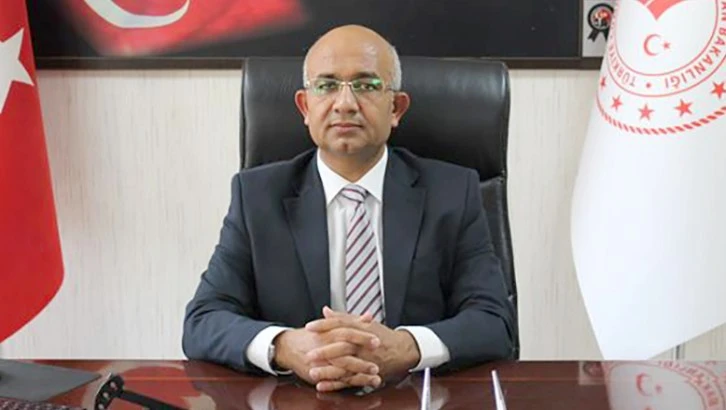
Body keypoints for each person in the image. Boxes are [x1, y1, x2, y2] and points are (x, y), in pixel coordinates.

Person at [182, 24, 514, 393]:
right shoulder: (257, 197)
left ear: (396, 108)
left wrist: (406, 348)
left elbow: (494, 322)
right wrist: (286, 347)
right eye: (326, 86)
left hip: (414, 397)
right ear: (305, 107)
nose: (345, 103)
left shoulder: (452, 192)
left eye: (366, 85)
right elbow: (203, 320)